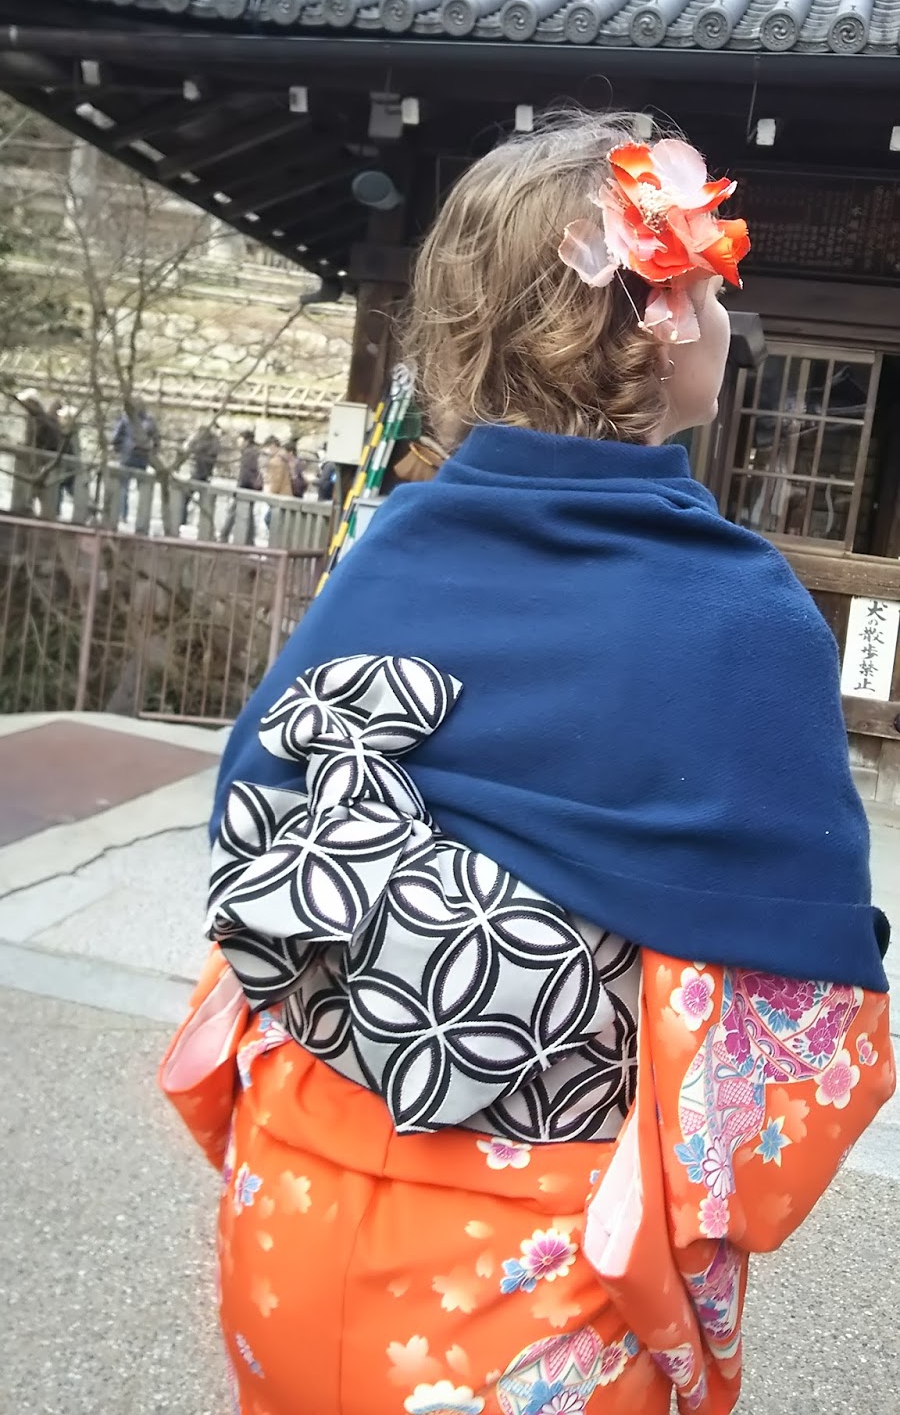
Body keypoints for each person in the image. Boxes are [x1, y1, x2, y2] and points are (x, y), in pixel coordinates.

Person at [161, 112, 894, 1415]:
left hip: (291, 1209)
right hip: (537, 1285)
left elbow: (251, 843)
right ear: (660, 322)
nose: (728, 316)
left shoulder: (392, 548)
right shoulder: (742, 610)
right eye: (714, 287)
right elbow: (799, 1015)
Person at [112, 400, 159, 523]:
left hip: (127, 455)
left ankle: (123, 515)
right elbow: (156, 440)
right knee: (143, 488)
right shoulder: (150, 422)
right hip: (142, 457)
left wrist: (118, 449)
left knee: (123, 487)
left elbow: (116, 437)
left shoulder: (126, 419)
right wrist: (153, 453)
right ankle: (142, 517)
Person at [221, 428, 262, 545]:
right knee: (248, 514)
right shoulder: (253, 452)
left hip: (245, 487)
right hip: (250, 487)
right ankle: (249, 539)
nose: (238, 442)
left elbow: (245, 473)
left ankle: (224, 535)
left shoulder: (248, 453)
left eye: (240, 439)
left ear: (246, 440)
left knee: (233, 512)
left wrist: (239, 487)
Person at [181, 423, 221, 527]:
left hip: (197, 472)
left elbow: (186, 447)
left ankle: (182, 519)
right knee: (205, 501)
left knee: (185, 496)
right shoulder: (214, 441)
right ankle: (204, 524)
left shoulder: (199, 439)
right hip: (206, 473)